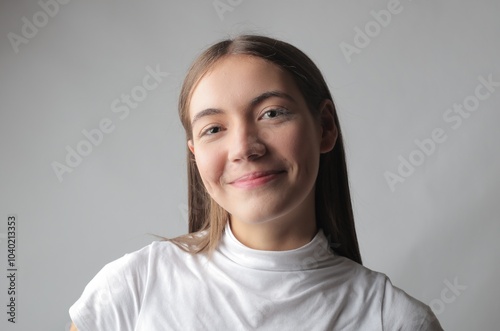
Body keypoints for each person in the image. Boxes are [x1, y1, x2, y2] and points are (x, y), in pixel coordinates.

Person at [69, 34, 443, 330]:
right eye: (214, 128)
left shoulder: (395, 320)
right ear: (195, 154)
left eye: (271, 113)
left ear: (325, 127)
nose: (244, 148)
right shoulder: (132, 287)